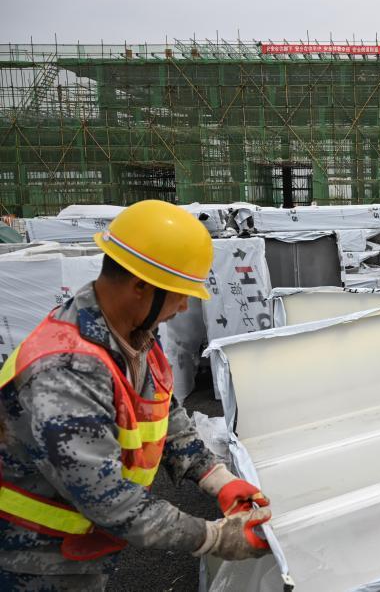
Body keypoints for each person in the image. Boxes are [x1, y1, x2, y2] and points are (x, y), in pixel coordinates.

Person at [0, 200, 272, 590]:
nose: (182, 307)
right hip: (35, 560)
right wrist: (215, 538)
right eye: (178, 294)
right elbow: (109, 499)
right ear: (140, 286)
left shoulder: (132, 333)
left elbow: (163, 410)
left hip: (80, 547)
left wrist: (216, 477)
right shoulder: (64, 372)